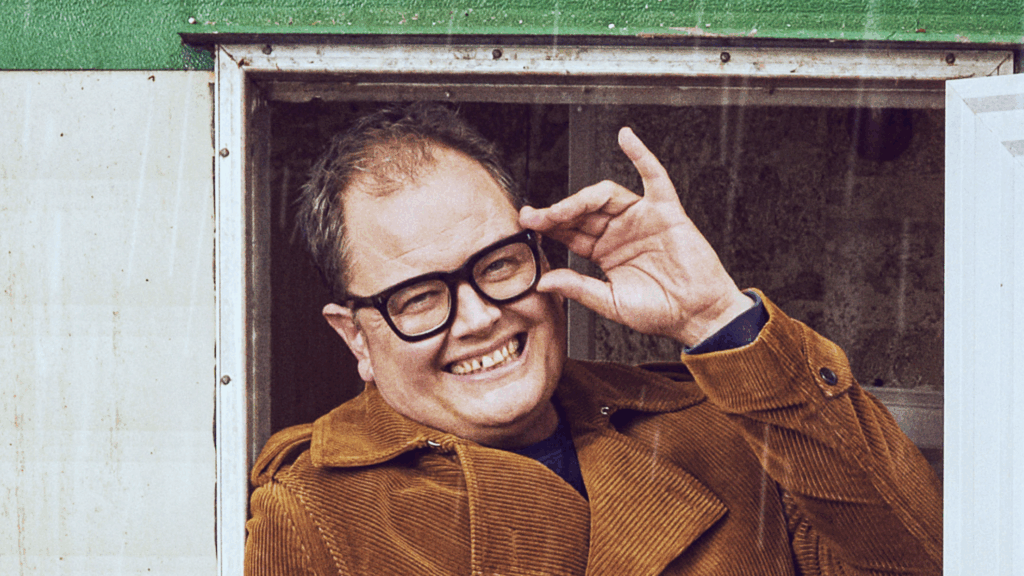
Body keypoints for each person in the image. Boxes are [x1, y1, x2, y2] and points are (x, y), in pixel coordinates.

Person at [244, 103, 942, 575]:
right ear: (356, 337)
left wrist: (716, 320)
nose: (479, 317)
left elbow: (923, 562)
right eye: (419, 298)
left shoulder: (725, 426)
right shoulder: (312, 513)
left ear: (541, 254)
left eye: (499, 265)